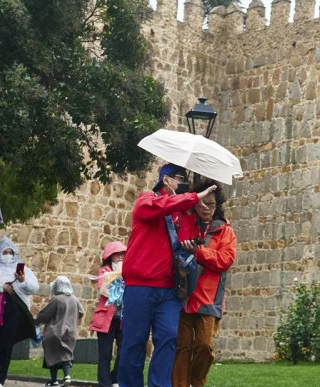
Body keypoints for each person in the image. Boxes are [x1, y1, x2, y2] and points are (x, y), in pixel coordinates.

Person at [118, 163, 217, 387]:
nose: (184, 184)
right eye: (180, 179)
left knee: (168, 340)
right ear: (166, 180)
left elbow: (190, 241)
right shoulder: (147, 200)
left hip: (170, 289)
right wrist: (192, 197)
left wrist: (198, 217)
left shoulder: (185, 214)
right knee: (134, 343)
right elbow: (160, 207)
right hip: (140, 286)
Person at [173, 185, 237, 387]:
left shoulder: (225, 231)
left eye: (210, 204)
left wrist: (200, 253)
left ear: (217, 206)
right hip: (184, 295)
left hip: (208, 298)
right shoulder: (186, 224)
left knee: (204, 345)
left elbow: (226, 259)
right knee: (182, 346)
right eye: (201, 202)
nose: (205, 207)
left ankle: (196, 381)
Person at [0, 236, 40, 387]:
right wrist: (1, 287)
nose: (7, 254)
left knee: (6, 346)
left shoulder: (23, 269)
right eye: (4, 251)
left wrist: (22, 281)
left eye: (10, 252)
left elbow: (34, 287)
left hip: (14, 311)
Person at [90, 240, 127, 387]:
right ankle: (104, 383)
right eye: (116, 254)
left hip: (123, 319)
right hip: (106, 319)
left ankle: (115, 378)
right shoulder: (104, 271)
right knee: (105, 354)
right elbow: (104, 289)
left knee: (123, 352)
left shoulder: (130, 270)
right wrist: (119, 275)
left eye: (122, 254)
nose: (119, 257)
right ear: (110, 256)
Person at [36, 276, 84, 387]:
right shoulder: (74, 299)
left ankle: (54, 380)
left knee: (52, 355)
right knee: (66, 354)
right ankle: (67, 376)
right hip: (70, 332)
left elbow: (45, 315)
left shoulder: (56, 299)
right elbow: (81, 313)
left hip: (55, 332)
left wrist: (37, 320)